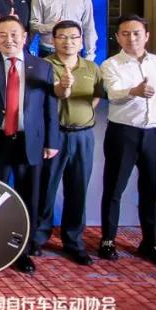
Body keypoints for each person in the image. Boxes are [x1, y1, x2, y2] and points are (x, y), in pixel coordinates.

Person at [0, 15, 59, 274]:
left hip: (29, 142)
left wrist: (51, 141)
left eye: (14, 34)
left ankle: (23, 249)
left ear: (25, 37)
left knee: (28, 197)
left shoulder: (42, 66)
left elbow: (50, 108)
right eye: (3, 35)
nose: (9, 40)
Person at [98, 15, 156, 268]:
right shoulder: (111, 64)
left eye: (136, 33)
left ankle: (151, 242)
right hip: (123, 133)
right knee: (114, 188)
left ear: (146, 36)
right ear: (118, 37)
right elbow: (112, 94)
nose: (131, 38)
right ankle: (108, 239)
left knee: (152, 191)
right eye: (125, 33)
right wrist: (134, 91)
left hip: (155, 134)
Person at [36, 20, 103, 266]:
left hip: (83, 136)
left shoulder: (91, 68)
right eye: (62, 37)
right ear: (53, 40)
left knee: (78, 188)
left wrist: (81, 116)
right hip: (54, 136)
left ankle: (74, 241)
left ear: (81, 40)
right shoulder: (43, 66)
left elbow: (97, 96)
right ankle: (39, 237)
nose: (68, 42)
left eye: (74, 37)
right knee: (46, 188)